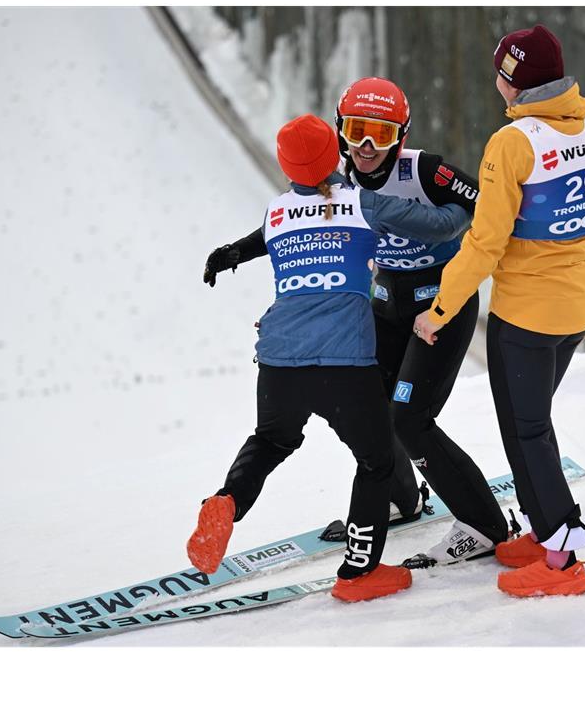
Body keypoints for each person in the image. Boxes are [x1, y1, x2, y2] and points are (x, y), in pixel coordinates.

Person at [414, 24, 585, 597]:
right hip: (575, 311)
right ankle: (540, 529)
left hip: (524, 316)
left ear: (514, 82)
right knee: (528, 425)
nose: (496, 83)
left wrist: (441, 309)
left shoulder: (514, 143)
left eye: (501, 74)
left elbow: (485, 241)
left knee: (528, 432)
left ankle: (564, 553)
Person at [188, 114, 474, 602]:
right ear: (337, 152)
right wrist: (472, 203)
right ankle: (359, 572)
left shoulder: (277, 212)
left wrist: (230, 253)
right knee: (378, 458)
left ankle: (226, 501)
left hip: (279, 359)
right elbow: (441, 223)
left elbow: (262, 239)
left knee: (271, 441)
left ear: (286, 166)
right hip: (344, 362)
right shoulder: (363, 202)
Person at [321, 77, 511, 563]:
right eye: (357, 131)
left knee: (412, 419)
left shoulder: (423, 169)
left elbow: (483, 204)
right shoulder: (335, 182)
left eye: (380, 135)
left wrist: (450, 233)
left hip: (439, 307)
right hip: (386, 302)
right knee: (370, 406)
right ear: (340, 130)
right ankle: (402, 498)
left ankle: (486, 525)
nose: (366, 146)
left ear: (400, 137)